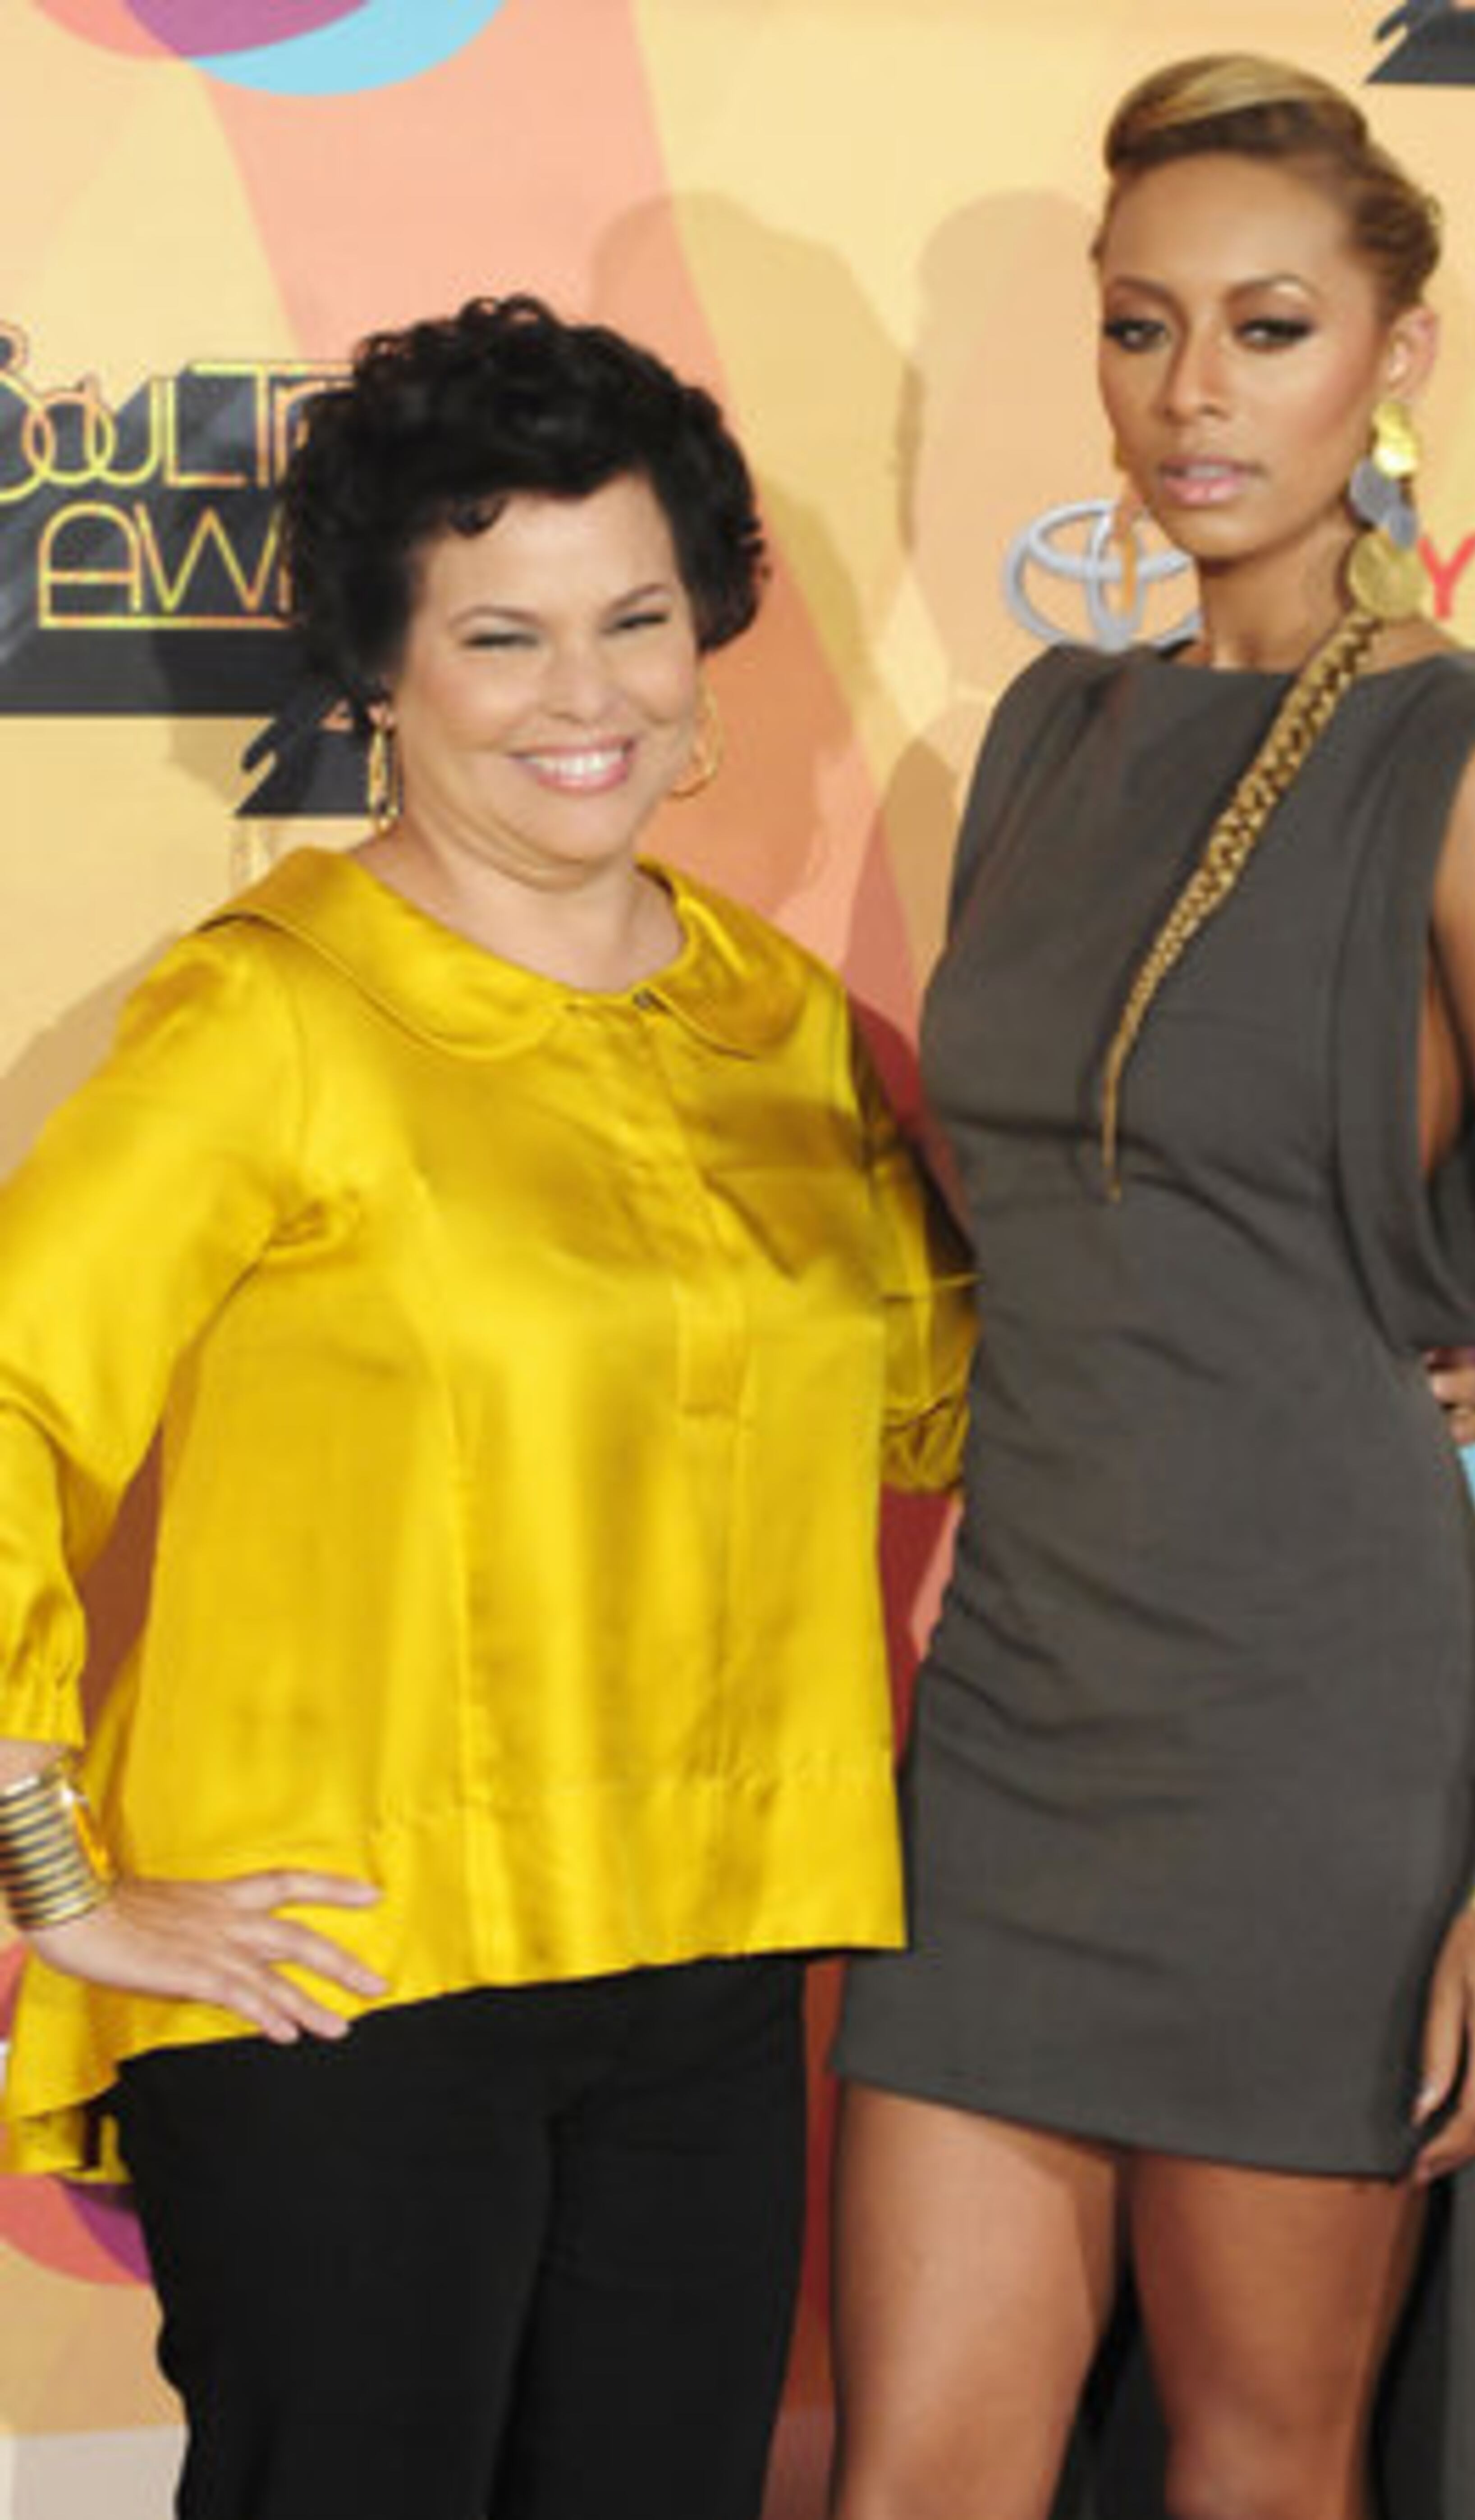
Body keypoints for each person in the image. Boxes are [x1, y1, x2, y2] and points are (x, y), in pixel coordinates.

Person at [0, 297, 976, 2520]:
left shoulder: (779, 1027)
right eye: (502, 638)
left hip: (714, 1963)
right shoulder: (274, 1021)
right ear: (381, 670)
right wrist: (58, 1880)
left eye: (635, 618)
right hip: (345, 1990)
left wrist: (1332, 1326)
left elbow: (946, 1396)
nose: (590, 697)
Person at [829, 54, 1475, 2520]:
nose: (1196, 398)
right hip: (1008, 1729)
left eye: (1272, 328)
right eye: (1140, 326)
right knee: (920, 2473)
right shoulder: (1050, 742)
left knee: (1262, 2466)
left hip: (1320, 1749)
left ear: (1398, 352)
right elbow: (1061, 1215)